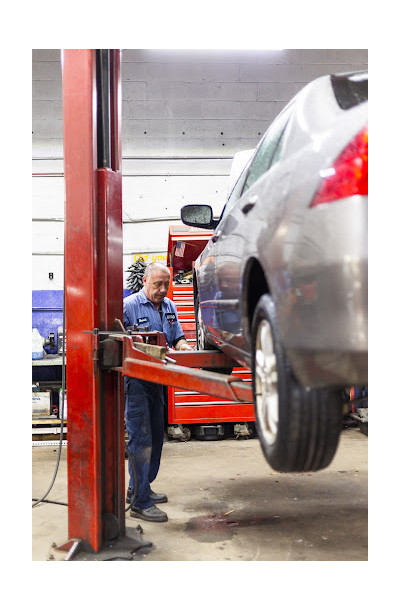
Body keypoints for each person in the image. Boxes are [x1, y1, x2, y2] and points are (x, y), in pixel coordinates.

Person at [123, 262, 193, 522]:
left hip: (159, 381)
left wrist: (183, 346)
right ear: (145, 281)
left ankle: (139, 488)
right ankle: (140, 503)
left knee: (155, 438)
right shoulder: (129, 306)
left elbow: (177, 338)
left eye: (166, 284)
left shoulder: (169, 306)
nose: (163, 289)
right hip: (137, 382)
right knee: (140, 440)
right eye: (157, 284)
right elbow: (120, 343)